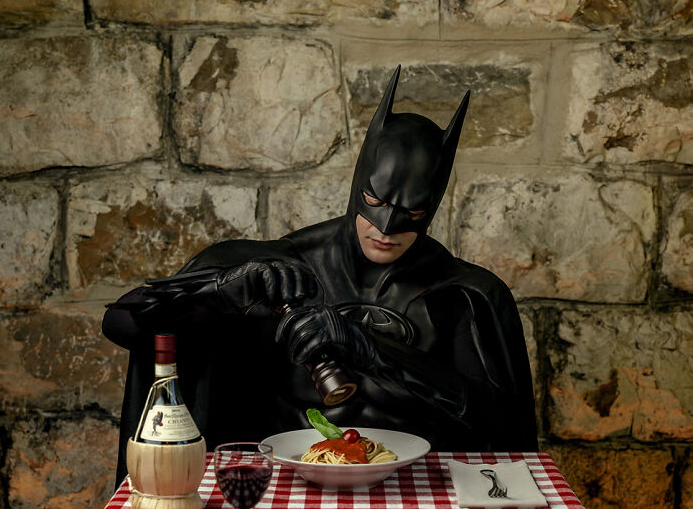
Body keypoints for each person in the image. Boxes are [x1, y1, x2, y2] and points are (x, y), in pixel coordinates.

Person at [104, 66, 537, 485]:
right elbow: (122, 323)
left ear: (433, 204)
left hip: (417, 491)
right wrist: (219, 292)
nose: (386, 228)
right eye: (374, 202)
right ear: (358, 185)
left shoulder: (462, 296)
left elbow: (499, 422)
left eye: (412, 213)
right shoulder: (284, 267)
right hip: (285, 488)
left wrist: (371, 349)